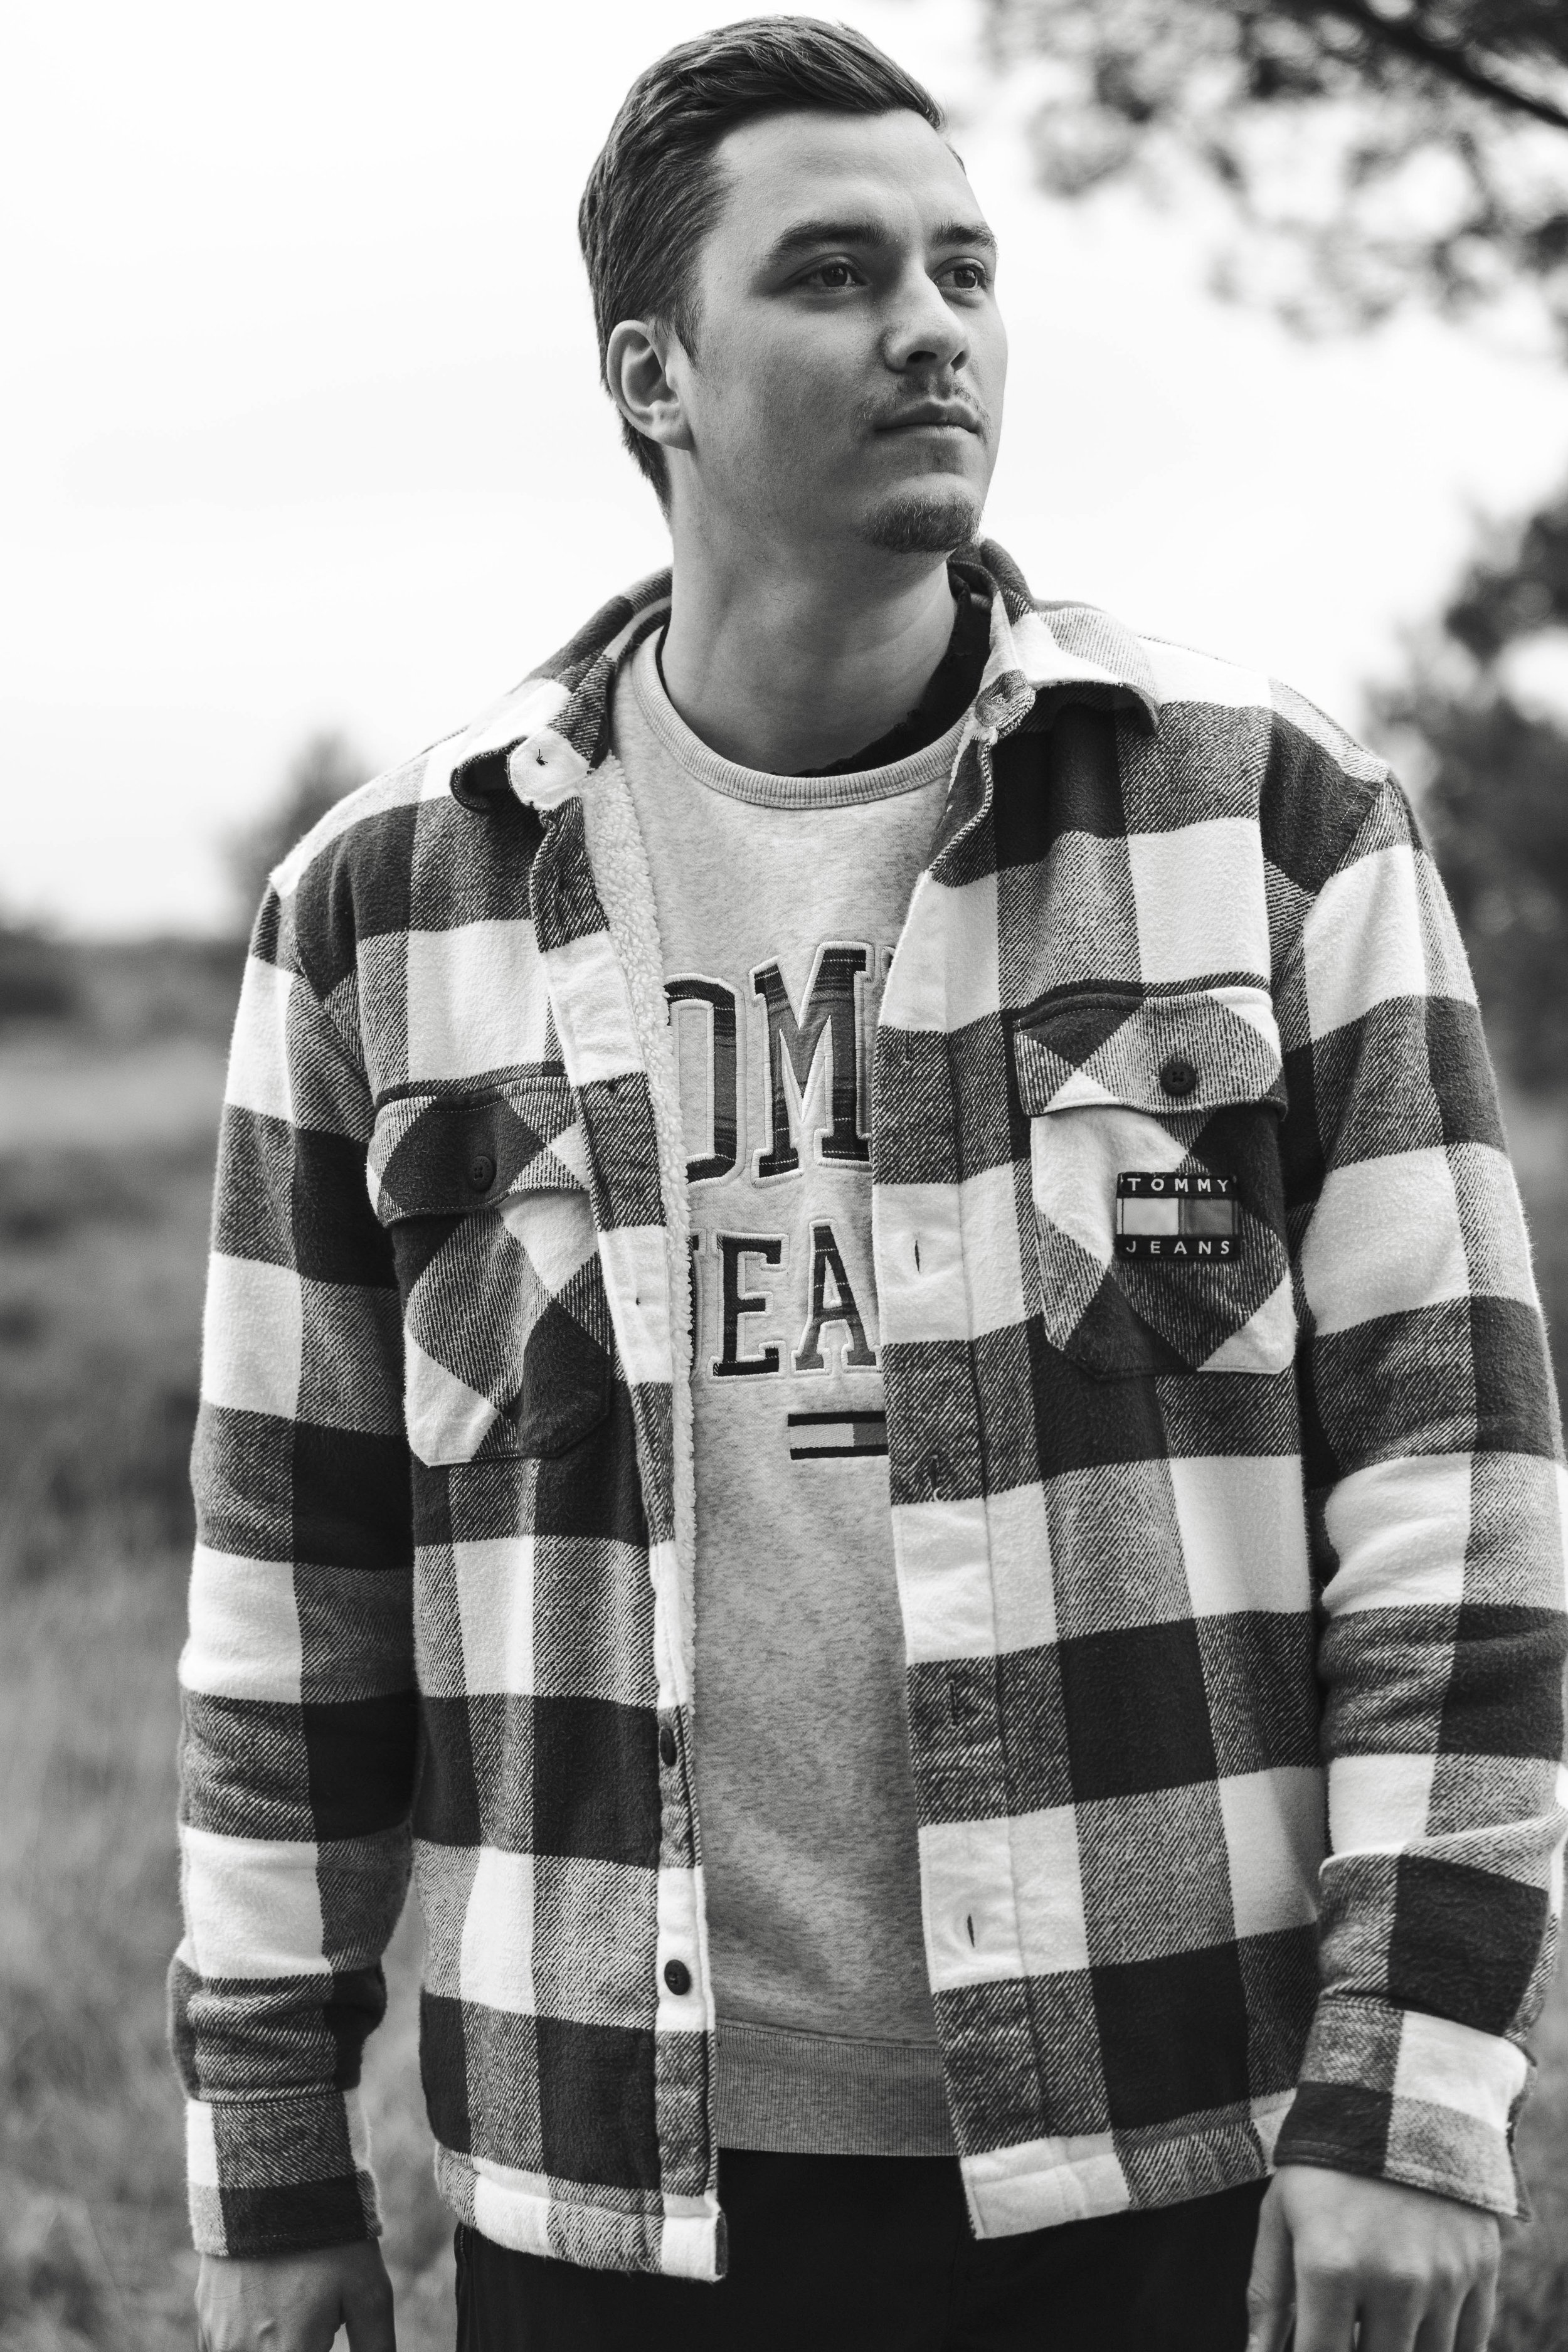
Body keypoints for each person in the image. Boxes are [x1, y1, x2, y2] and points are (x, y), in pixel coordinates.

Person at [176, 18, 1567, 2352]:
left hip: (1161, 2135)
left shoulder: (1265, 827)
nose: (931, 325)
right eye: (830, 275)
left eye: (962, 267)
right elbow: (286, 1586)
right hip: (608, 2174)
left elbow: (1455, 1496)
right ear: (655, 374)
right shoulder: (387, 912)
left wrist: (1402, 2091)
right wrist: (270, 2150)